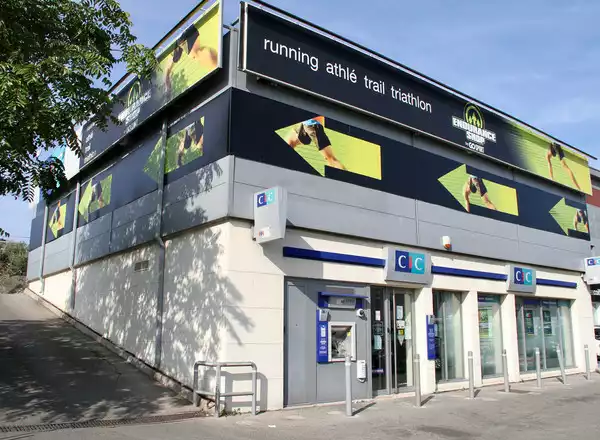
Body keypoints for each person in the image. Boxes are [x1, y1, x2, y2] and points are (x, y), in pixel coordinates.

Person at [163, 25, 218, 100]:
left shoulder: (199, 51)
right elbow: (167, 69)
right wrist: (167, 87)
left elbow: (167, 69)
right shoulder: (181, 48)